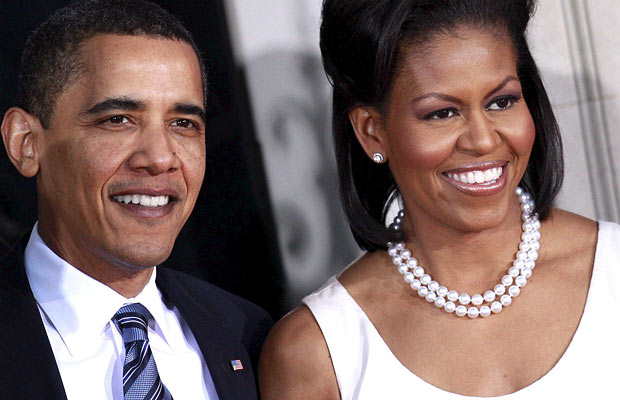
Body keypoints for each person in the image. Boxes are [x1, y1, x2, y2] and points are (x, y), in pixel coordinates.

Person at [259, 0, 620, 398]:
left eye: (502, 102)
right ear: (372, 132)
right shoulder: (316, 354)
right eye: (442, 113)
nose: (483, 140)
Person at [0, 1, 272, 399]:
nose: (160, 157)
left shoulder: (249, 335)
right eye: (117, 120)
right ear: (26, 144)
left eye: (183, 124)